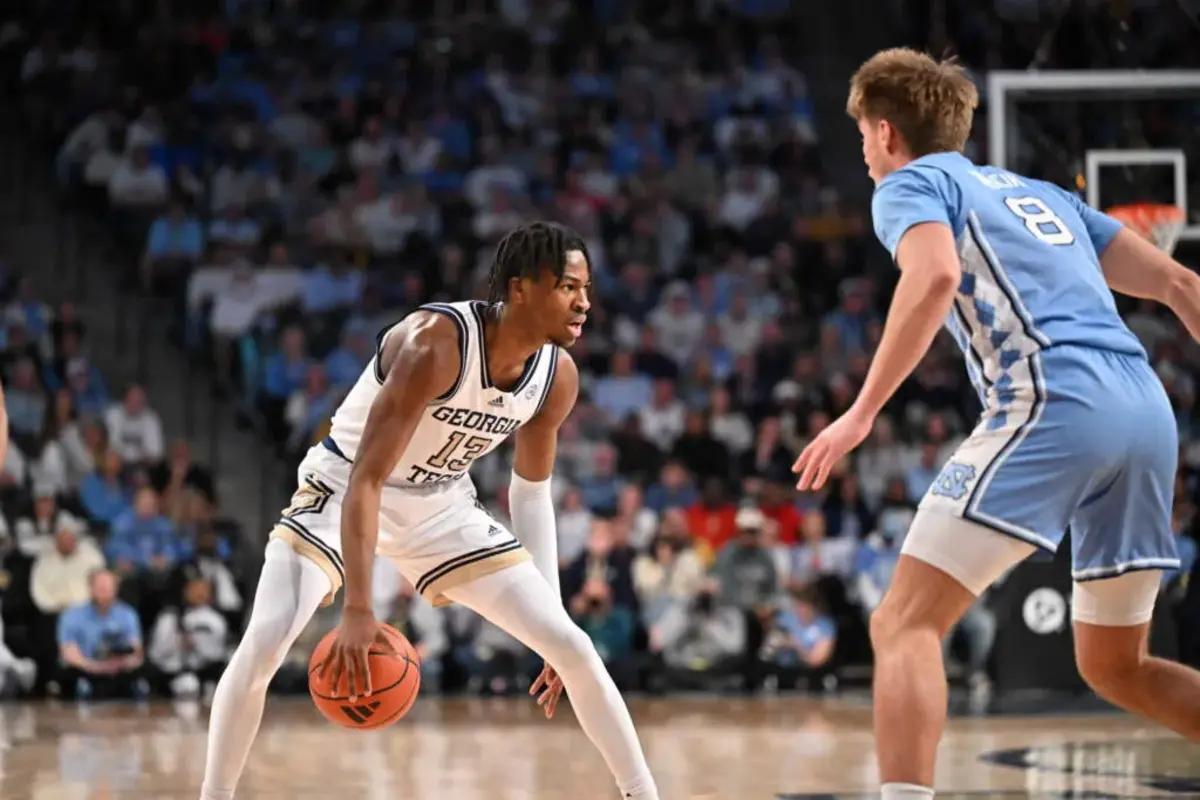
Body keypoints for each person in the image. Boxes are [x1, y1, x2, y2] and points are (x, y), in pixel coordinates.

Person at [793, 48, 1200, 800]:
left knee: (903, 623)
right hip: (1147, 413)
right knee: (1116, 666)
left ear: (884, 133)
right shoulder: (1040, 195)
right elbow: (1180, 283)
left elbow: (936, 274)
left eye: (861, 140)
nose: (865, 155)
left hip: (1058, 402)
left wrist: (860, 413)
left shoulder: (912, 182)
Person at [201, 222, 658, 800]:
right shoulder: (434, 343)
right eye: (569, 286)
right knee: (266, 641)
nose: (585, 302)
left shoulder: (555, 378)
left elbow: (531, 492)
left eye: (587, 288)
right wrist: (360, 609)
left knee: (573, 647)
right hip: (345, 486)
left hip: (439, 503)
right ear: (521, 288)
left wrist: (551, 622)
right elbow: (367, 480)